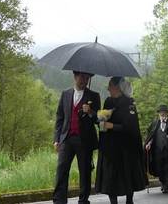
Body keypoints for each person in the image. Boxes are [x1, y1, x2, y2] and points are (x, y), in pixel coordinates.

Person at [95, 77, 147, 204]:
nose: (108, 88)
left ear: (117, 87)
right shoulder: (108, 101)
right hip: (110, 147)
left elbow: (131, 126)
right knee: (110, 177)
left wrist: (113, 126)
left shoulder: (129, 103)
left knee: (127, 175)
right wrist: (100, 119)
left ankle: (129, 200)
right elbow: (103, 121)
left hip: (126, 148)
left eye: (110, 85)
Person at [53, 71, 101, 204]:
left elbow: (98, 119)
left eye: (87, 78)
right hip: (66, 138)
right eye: (81, 78)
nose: (84, 81)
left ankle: (83, 200)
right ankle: (59, 201)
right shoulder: (65, 94)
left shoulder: (94, 96)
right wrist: (57, 139)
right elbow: (60, 117)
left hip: (85, 140)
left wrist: (90, 111)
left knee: (85, 172)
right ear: (75, 77)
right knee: (61, 169)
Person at [145, 105, 168, 193]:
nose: (163, 115)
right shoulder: (154, 124)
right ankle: (163, 182)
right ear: (159, 114)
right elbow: (151, 136)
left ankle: (167, 185)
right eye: (161, 113)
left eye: (164, 113)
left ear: (167, 114)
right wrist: (148, 143)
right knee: (159, 167)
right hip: (157, 150)